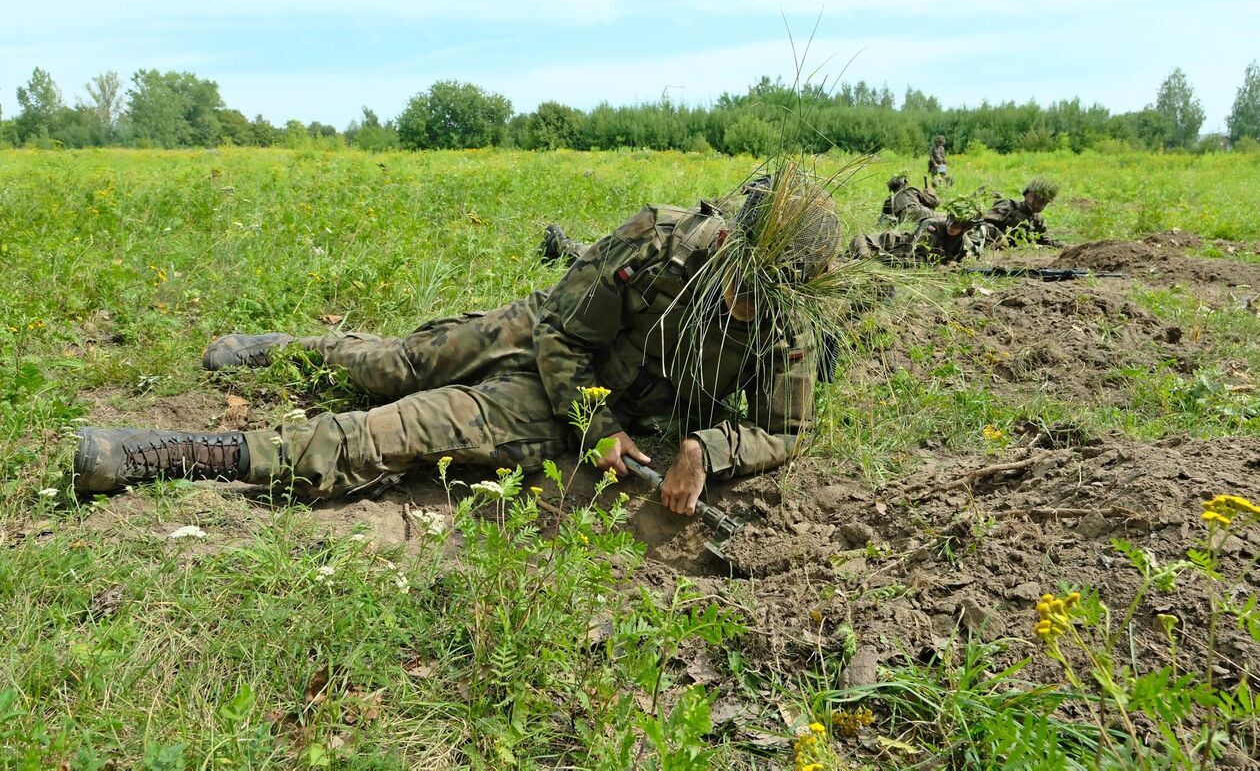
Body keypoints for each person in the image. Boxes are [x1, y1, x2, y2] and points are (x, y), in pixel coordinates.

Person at [74, 169, 842, 518]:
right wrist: (601, 430)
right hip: (548, 338)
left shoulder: (787, 319)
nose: (743, 303)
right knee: (397, 363)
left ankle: (165, 453)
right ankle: (283, 347)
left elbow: (784, 428)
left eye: (762, 297)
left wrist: (706, 448)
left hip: (550, 412)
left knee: (401, 427)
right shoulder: (662, 236)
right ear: (728, 240)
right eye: (738, 282)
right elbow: (566, 337)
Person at [849, 214, 982, 266]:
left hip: (903, 255)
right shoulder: (932, 225)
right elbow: (920, 254)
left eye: (957, 225)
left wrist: (961, 262)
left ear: (965, 228)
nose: (952, 227)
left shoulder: (963, 240)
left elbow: (973, 254)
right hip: (891, 244)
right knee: (862, 254)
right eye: (951, 222)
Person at [979, 178, 1062, 248]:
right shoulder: (1008, 208)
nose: (1041, 205)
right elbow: (982, 224)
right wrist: (998, 236)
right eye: (1039, 200)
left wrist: (1062, 246)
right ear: (1029, 195)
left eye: (1045, 202)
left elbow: (1043, 239)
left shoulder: (1037, 220)